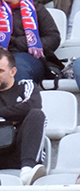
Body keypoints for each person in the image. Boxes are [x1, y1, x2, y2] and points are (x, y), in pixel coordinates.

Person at [0, 48, 46, 178]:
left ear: (13, 71)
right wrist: (16, 113)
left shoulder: (25, 86)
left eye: (0, 71)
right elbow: (24, 108)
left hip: (18, 153)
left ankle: (27, 171)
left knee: (36, 115)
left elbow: (33, 106)